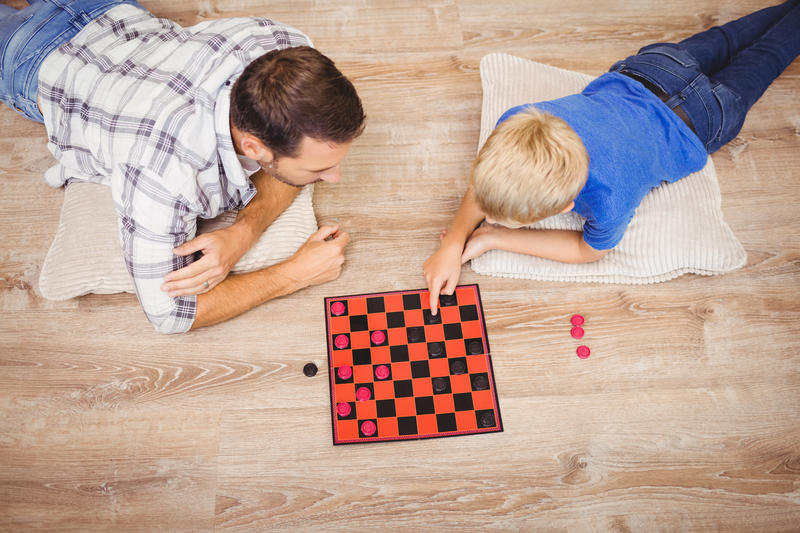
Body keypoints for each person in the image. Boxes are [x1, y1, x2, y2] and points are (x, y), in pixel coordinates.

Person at [1, 0, 366, 333]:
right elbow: (170, 314)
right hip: (31, 57)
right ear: (255, 147)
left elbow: (285, 167)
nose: (333, 178)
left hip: (111, 14)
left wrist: (242, 235)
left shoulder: (286, 45)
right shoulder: (163, 172)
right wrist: (293, 275)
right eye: (317, 170)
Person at [424, 0, 800, 314]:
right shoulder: (517, 121)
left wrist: (496, 238)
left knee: (769, 52)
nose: (484, 216)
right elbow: (484, 182)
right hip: (656, 69)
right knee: (735, 37)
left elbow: (587, 252)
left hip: (706, 117)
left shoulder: (608, 201)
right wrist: (452, 242)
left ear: (567, 206)